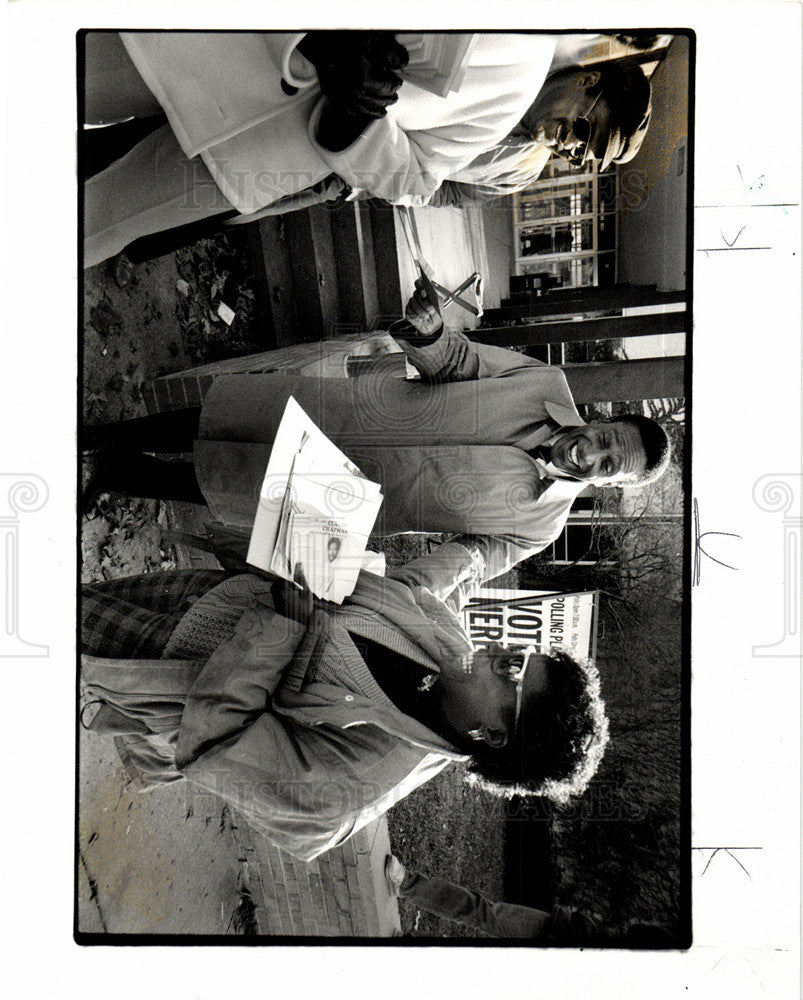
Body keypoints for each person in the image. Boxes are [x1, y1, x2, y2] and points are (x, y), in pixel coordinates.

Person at [84, 282, 671, 582]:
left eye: (604, 466)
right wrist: (431, 334)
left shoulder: (540, 527)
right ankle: (99, 436)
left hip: (353, 494)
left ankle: (113, 475)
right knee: (216, 417)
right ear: (605, 421)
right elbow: (460, 363)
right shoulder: (543, 383)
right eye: (604, 439)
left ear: (605, 485)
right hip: (355, 411)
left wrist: (423, 591)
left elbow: (469, 562)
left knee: (215, 486)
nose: (589, 454)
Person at [81, 536, 609, 861]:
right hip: (208, 595)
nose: (499, 647)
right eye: (520, 649)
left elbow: (214, 748)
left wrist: (285, 624)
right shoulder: (453, 649)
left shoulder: (360, 781)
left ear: (495, 735)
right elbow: (405, 590)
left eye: (512, 670)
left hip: (164, 662)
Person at [83, 31, 558, 266]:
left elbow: (417, 181)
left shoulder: (513, 94)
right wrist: (327, 36)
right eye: (590, 128)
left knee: (102, 219)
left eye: (584, 153)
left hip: (265, 158)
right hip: (223, 44)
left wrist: (357, 123)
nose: (573, 145)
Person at [384, 855, 675, 946]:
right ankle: (407, 883)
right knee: (480, 910)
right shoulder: (629, 935)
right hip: (548, 928)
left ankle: (407, 942)